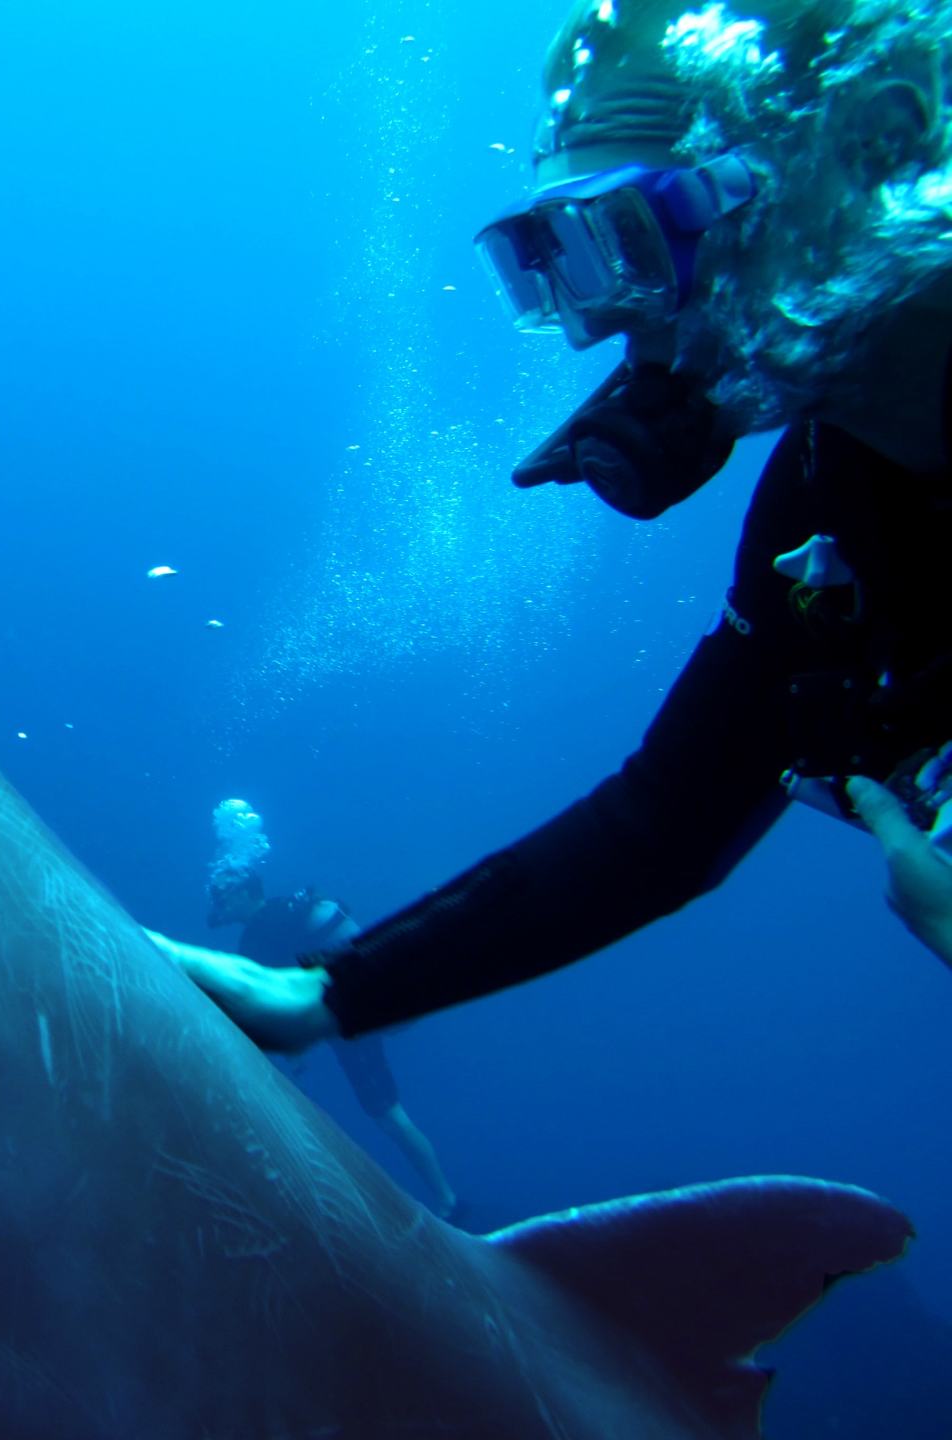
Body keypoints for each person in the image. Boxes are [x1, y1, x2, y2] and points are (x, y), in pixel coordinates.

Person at [174, 0, 952, 1054]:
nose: (610, 323)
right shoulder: (824, 517)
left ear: (878, 146)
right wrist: (329, 995)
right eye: (561, 267)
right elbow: (660, 825)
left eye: (625, 239)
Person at [158, 801, 459, 1217]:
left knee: (388, 1114)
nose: (219, 906)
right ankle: (446, 1198)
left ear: (246, 890)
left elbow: (269, 998)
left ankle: (446, 1199)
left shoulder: (261, 936)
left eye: (224, 895)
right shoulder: (285, 912)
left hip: (346, 1017)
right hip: (344, 1011)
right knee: (387, 1114)